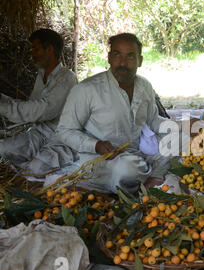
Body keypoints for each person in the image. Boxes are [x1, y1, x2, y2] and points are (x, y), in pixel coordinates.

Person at [56, 33, 175, 193]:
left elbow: (152, 120)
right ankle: (150, 175)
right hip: (103, 159)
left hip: (137, 150)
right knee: (127, 171)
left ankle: (151, 176)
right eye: (117, 55)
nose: (123, 63)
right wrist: (96, 145)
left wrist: (182, 126)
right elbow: (64, 130)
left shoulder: (144, 85)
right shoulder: (87, 89)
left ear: (140, 60)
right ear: (109, 57)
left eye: (130, 56)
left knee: (183, 141)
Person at [0, 28, 78, 172]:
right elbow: (31, 106)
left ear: (49, 49)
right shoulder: (41, 75)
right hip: (38, 133)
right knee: (2, 149)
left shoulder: (67, 78)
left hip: (60, 138)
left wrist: (4, 107)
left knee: (36, 169)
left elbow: (43, 110)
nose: (32, 54)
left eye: (36, 49)